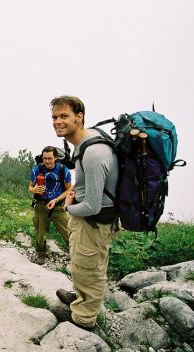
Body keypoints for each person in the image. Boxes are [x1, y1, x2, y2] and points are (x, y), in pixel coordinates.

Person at [50, 96, 119, 331]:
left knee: (90, 268)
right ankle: (79, 297)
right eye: (54, 117)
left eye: (64, 116)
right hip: (86, 219)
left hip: (93, 221)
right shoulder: (84, 143)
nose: (57, 121)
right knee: (81, 264)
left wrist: (67, 207)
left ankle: (83, 319)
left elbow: (93, 206)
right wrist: (74, 195)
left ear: (79, 118)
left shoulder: (94, 153)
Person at [28, 146, 72, 265]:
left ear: (56, 158)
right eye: (45, 158)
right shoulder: (37, 170)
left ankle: (76, 255)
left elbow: (69, 190)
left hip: (57, 206)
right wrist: (35, 189)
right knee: (40, 232)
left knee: (69, 231)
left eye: (50, 158)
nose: (47, 161)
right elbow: (30, 187)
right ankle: (41, 254)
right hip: (41, 204)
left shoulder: (64, 170)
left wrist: (56, 200)